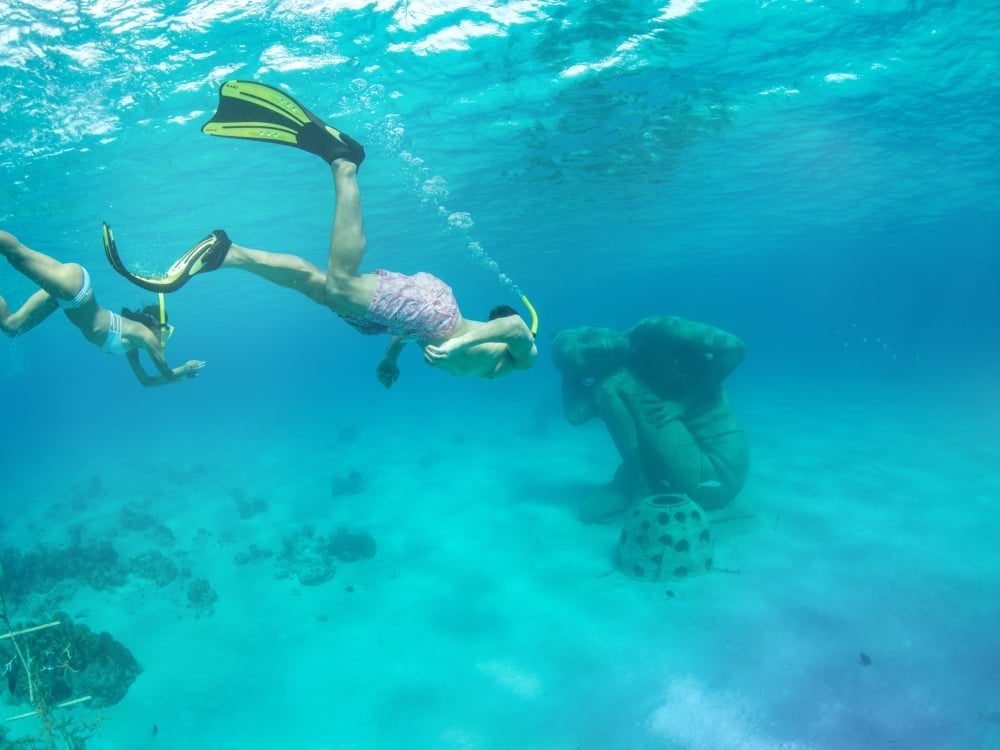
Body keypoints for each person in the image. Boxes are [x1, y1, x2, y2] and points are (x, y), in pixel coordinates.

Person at [103, 80, 537, 388]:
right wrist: (464, 342)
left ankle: (226, 253)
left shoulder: (487, 352)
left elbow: (408, 332)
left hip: (421, 320)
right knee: (344, 286)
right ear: (494, 328)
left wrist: (389, 359)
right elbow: (519, 327)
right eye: (495, 330)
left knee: (323, 290)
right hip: (439, 315)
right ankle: (344, 161)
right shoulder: (516, 356)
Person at [552, 315, 749, 522]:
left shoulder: (658, 331)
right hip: (693, 465)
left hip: (716, 475)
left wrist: (683, 404)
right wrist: (568, 366)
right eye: (587, 358)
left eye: (586, 338)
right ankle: (637, 479)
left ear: (589, 325)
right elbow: (576, 415)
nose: (596, 347)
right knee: (610, 385)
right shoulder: (626, 369)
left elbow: (734, 347)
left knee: (610, 387)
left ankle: (645, 488)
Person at [0, 230, 205, 387]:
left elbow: (145, 381)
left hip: (64, 299)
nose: (164, 337)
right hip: (74, 292)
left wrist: (182, 376)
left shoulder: (133, 343)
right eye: (166, 331)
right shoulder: (145, 336)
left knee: (12, 327)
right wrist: (184, 369)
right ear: (156, 325)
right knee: (16, 254)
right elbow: (167, 372)